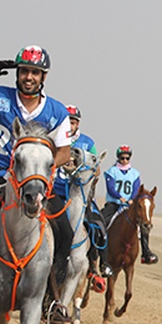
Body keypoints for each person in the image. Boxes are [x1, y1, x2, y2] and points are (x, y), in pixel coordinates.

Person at [0, 46, 72, 324]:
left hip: (35, 183)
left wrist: (43, 170)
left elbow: (64, 151)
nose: (28, 76)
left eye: (34, 72)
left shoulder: (57, 111)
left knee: (66, 235)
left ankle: (52, 301)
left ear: (43, 76)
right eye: (24, 70)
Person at [52, 105, 113, 278]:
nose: (70, 125)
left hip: (78, 194)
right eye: (67, 121)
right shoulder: (54, 138)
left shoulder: (88, 143)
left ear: (78, 123)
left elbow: (97, 169)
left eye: (73, 122)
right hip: (54, 192)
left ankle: (99, 265)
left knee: (99, 226)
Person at [102, 145, 158, 264]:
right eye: (122, 158)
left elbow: (136, 187)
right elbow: (110, 187)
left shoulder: (135, 174)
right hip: (114, 204)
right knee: (101, 223)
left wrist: (132, 199)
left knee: (143, 225)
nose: (124, 160)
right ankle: (98, 252)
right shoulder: (111, 171)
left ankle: (146, 252)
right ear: (118, 158)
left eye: (127, 158)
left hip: (130, 206)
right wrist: (120, 197)